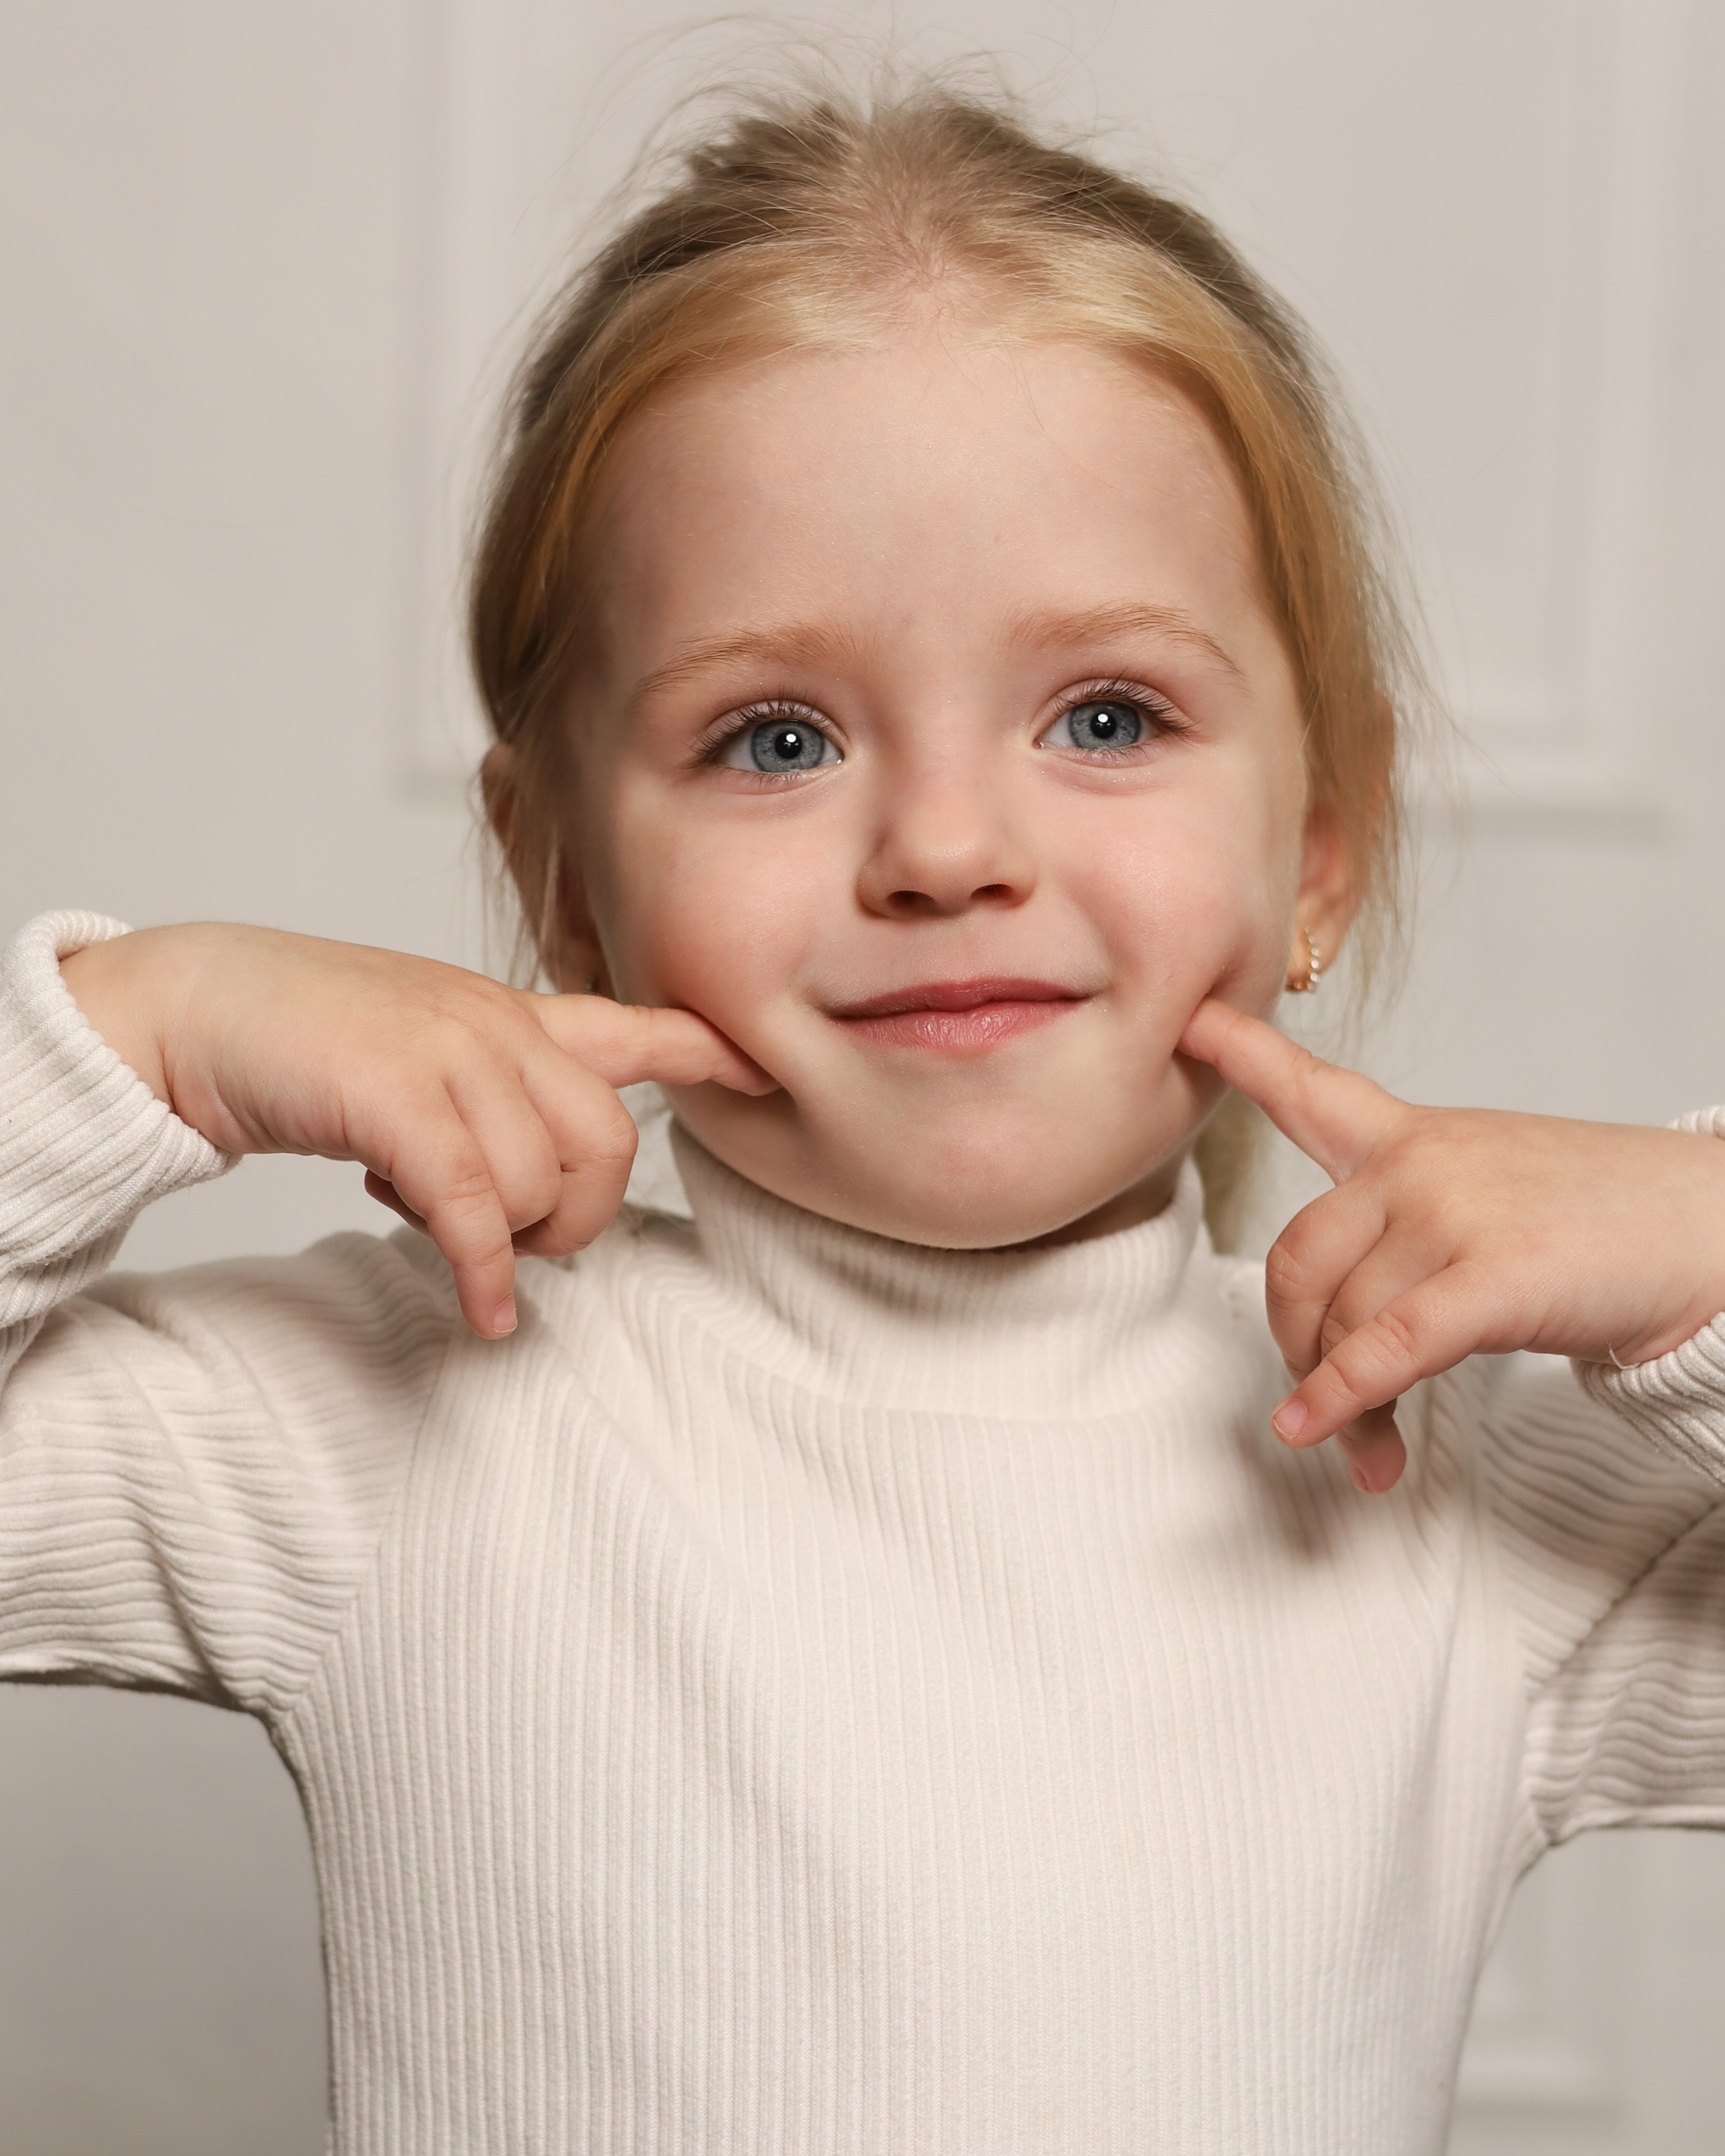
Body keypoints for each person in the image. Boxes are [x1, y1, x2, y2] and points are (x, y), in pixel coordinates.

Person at [4, 77, 1725, 2156]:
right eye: (773, 734)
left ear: (1324, 839)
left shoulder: (1448, 1496)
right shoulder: (398, 1427)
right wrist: (145, 1027)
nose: (938, 846)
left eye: (1104, 715)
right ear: (557, 875)